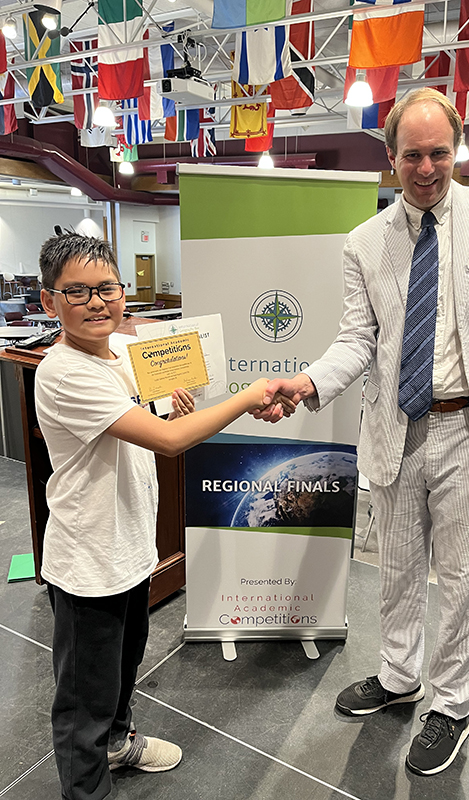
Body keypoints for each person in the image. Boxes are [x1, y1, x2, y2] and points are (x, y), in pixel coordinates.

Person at [253, 88, 469, 776]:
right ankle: (398, 677)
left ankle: (452, 703)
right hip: (396, 429)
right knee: (397, 573)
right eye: (412, 154)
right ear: (390, 158)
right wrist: (309, 381)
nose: (427, 167)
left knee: (465, 578)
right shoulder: (365, 242)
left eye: (439, 152)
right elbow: (359, 339)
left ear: (458, 149)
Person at [35, 233, 290, 800]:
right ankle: (88, 786)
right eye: (77, 292)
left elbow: (155, 420)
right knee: (83, 699)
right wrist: (246, 399)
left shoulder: (122, 355)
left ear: (123, 291)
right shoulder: (64, 372)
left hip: (126, 549)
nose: (97, 302)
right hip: (87, 562)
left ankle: (120, 743)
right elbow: (171, 442)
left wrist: (168, 403)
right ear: (50, 302)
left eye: (107, 287)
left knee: (122, 670)